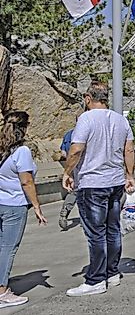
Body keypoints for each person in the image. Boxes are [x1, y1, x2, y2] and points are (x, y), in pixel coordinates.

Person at [62, 81, 135, 297]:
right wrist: (129, 175)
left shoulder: (85, 119)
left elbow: (76, 149)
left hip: (92, 183)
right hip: (114, 181)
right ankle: (111, 272)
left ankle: (95, 279)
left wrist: (67, 172)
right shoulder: (120, 119)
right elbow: (128, 149)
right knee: (113, 229)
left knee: (96, 233)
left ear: (87, 98)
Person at [0, 111, 47, 308]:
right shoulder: (22, 151)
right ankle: (2, 291)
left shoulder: (2, 149)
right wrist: (36, 206)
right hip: (14, 205)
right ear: (24, 128)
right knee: (8, 248)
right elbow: (26, 181)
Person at [58, 127, 78, 230]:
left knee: (74, 191)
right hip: (85, 165)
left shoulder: (68, 134)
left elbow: (63, 153)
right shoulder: (86, 131)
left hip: (71, 166)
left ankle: (65, 210)